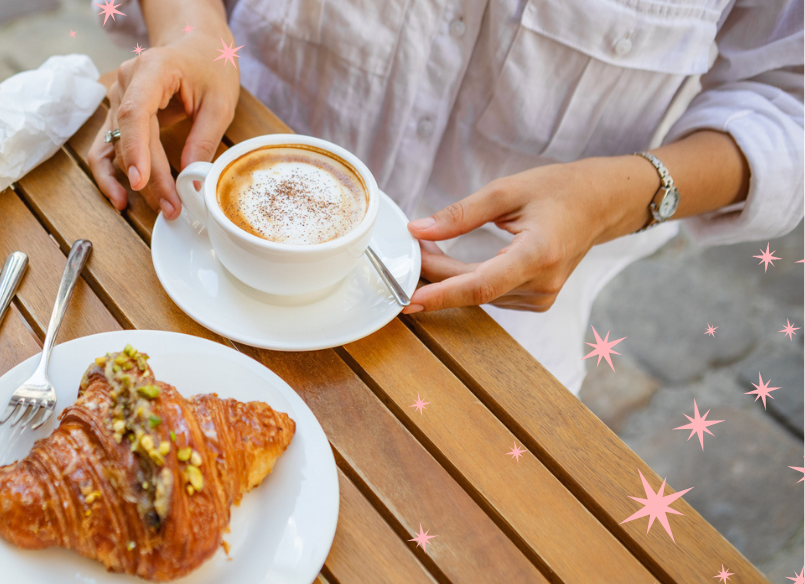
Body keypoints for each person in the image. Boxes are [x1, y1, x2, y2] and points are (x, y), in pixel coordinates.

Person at [88, 0, 804, 395]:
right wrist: (188, 34)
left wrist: (626, 195)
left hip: (488, 345)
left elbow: (789, 95)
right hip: (200, 253)